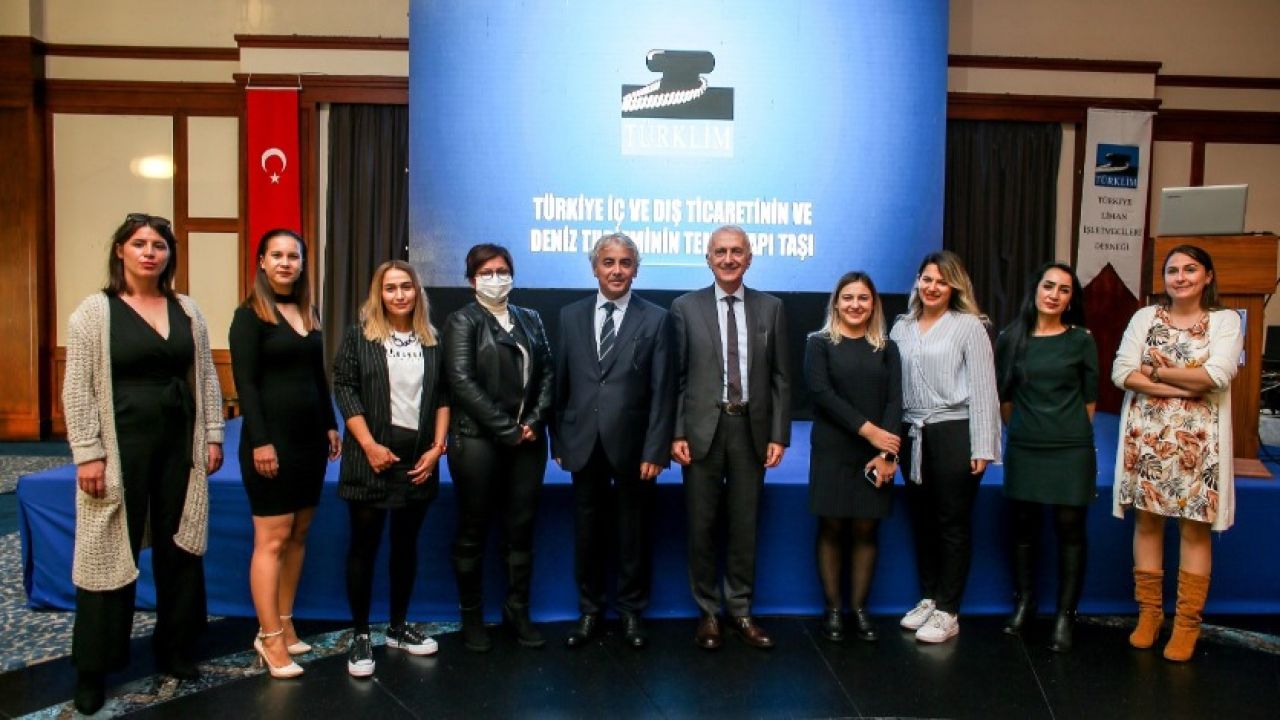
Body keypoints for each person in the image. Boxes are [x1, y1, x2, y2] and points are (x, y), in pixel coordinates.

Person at [63, 213, 224, 714]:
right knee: (108, 552)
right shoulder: (94, 312)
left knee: (181, 546)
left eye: (159, 245)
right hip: (120, 447)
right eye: (139, 244)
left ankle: (174, 648)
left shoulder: (187, 309)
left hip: (179, 443)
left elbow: (206, 378)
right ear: (121, 251)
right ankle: (94, 669)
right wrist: (88, 454)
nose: (150, 252)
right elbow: (77, 389)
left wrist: (212, 435)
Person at [1112, 244, 1241, 662]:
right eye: (1173, 271)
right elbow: (1121, 372)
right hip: (1145, 440)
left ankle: (1186, 624)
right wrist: (1186, 383)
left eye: (1190, 269)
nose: (1181, 277)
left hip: (1200, 446)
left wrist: (1153, 370)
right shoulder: (1144, 317)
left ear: (1207, 276)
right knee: (1147, 523)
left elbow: (1217, 375)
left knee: (1194, 529)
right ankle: (1149, 615)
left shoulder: (1224, 321)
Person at [671, 225, 791, 651]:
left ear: (749, 258)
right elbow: (677, 377)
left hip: (750, 430)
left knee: (744, 525)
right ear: (708, 258)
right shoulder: (684, 308)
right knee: (701, 525)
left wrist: (779, 435)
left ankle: (740, 610)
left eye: (736, 251)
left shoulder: (772, 308)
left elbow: (781, 378)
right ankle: (708, 613)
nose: (728, 259)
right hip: (702, 431)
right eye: (720, 252)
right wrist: (677, 431)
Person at [554, 233, 675, 650]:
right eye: (608, 262)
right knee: (587, 532)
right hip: (583, 443)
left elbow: (663, 392)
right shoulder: (569, 316)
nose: (617, 270)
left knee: (633, 533)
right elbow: (561, 383)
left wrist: (656, 449)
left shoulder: (657, 319)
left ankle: (630, 612)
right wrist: (559, 442)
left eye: (625, 263)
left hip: (635, 448)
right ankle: (589, 611)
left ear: (635, 269)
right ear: (595, 267)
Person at [229, 229, 341, 678]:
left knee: (298, 534)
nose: (285, 262)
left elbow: (318, 377)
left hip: (309, 442)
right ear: (261, 261)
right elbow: (246, 385)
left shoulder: (309, 311)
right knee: (272, 540)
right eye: (275, 255)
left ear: (302, 264)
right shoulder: (248, 317)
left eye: (293, 256)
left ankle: (286, 623)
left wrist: (330, 424)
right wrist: (261, 441)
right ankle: (269, 637)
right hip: (270, 444)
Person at [333, 261, 449, 677]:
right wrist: (368, 445)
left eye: (406, 287)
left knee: (405, 546)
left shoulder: (433, 339)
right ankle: (361, 635)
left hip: (418, 461)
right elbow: (344, 389)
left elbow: (443, 396)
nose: (399, 295)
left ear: (417, 292)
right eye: (390, 288)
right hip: (370, 457)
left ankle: (398, 628)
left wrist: (437, 449)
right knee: (364, 548)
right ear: (378, 295)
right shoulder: (360, 336)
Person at [443, 243, 554, 652]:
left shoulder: (531, 318)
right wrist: (508, 429)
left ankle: (517, 610)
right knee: (473, 530)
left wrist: (533, 422)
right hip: (477, 441)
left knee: (521, 531)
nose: (496, 278)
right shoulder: (462, 320)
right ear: (472, 280)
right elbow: (461, 381)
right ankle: (472, 615)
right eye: (486, 272)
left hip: (527, 442)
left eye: (502, 271)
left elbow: (548, 373)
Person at [890, 250, 1001, 644]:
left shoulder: (969, 326)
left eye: (942, 281)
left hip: (955, 430)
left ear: (954, 286)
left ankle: (949, 610)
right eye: (927, 279)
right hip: (912, 432)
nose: (933, 287)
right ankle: (929, 598)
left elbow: (985, 388)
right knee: (922, 521)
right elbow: (892, 389)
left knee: (951, 522)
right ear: (918, 281)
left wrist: (983, 445)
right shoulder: (901, 328)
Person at [995, 263, 1098, 652]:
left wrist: (1063, 431)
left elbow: (1089, 401)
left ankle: (1065, 616)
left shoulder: (1081, 340)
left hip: (1070, 447)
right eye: (1048, 286)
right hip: (1025, 446)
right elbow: (1005, 399)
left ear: (1071, 299)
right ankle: (1025, 603)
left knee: (1070, 528)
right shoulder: (1010, 338)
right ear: (1035, 290)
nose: (1054, 295)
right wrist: (1027, 430)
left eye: (1064, 290)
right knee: (1023, 526)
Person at [805, 271, 901, 643]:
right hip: (832, 449)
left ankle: (859, 610)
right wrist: (868, 430)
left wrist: (886, 452)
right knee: (831, 528)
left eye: (863, 298)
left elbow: (895, 401)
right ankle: (833, 610)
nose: (855, 305)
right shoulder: (818, 343)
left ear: (873, 304)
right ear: (836, 303)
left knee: (866, 529)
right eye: (848, 298)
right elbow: (821, 393)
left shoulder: (888, 348)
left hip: (875, 454)